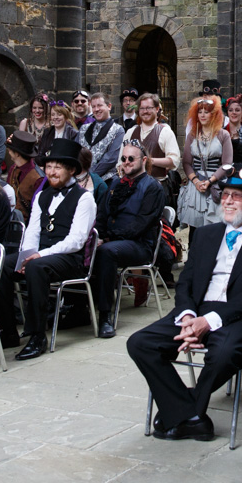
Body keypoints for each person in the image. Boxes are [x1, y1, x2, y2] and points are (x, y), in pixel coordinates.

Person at [127, 167, 242, 441]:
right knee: (140, 343)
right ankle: (189, 414)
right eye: (225, 195)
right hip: (197, 310)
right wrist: (189, 315)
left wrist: (209, 321)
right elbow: (186, 281)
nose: (226, 201)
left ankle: (183, 410)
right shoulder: (205, 235)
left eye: (236, 197)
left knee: (224, 351)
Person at [10, 138, 99, 360]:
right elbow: (32, 231)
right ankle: (6, 331)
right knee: (3, 265)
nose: (52, 171)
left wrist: (39, 256)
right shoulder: (42, 195)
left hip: (70, 260)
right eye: (49, 166)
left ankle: (37, 336)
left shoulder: (85, 198)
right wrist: (27, 255)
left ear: (71, 170)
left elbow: (76, 241)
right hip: (41, 256)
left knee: (36, 268)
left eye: (58, 167)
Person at [91, 139, 165, 338]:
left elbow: (141, 224)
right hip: (114, 241)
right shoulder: (115, 184)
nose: (126, 162)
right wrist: (96, 236)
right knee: (86, 248)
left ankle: (105, 317)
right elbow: (102, 215)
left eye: (131, 158)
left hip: (140, 245)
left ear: (143, 160)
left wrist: (107, 239)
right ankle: (80, 309)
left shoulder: (153, 188)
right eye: (123, 158)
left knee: (106, 252)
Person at [178, 96, 233, 236]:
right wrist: (196, 182)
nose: (202, 114)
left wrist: (210, 181)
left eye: (206, 112)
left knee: (215, 229)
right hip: (195, 186)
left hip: (215, 185)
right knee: (194, 231)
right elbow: (186, 163)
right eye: (200, 111)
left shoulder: (223, 135)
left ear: (214, 114)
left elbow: (227, 164)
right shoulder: (192, 135)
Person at [78, 92, 125, 178]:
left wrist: (89, 176)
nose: (96, 109)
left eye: (99, 105)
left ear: (109, 106)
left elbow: (110, 159)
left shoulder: (118, 130)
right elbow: (75, 152)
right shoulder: (83, 129)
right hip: (80, 177)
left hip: (105, 179)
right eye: (93, 106)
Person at [5, 131, 43, 224]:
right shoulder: (13, 169)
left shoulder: (38, 178)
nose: (8, 151)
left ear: (17, 153)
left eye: (10, 149)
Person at [36, 99, 78, 165]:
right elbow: (39, 156)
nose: (55, 117)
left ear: (65, 116)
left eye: (59, 114)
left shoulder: (73, 133)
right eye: (53, 115)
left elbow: (73, 158)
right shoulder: (47, 132)